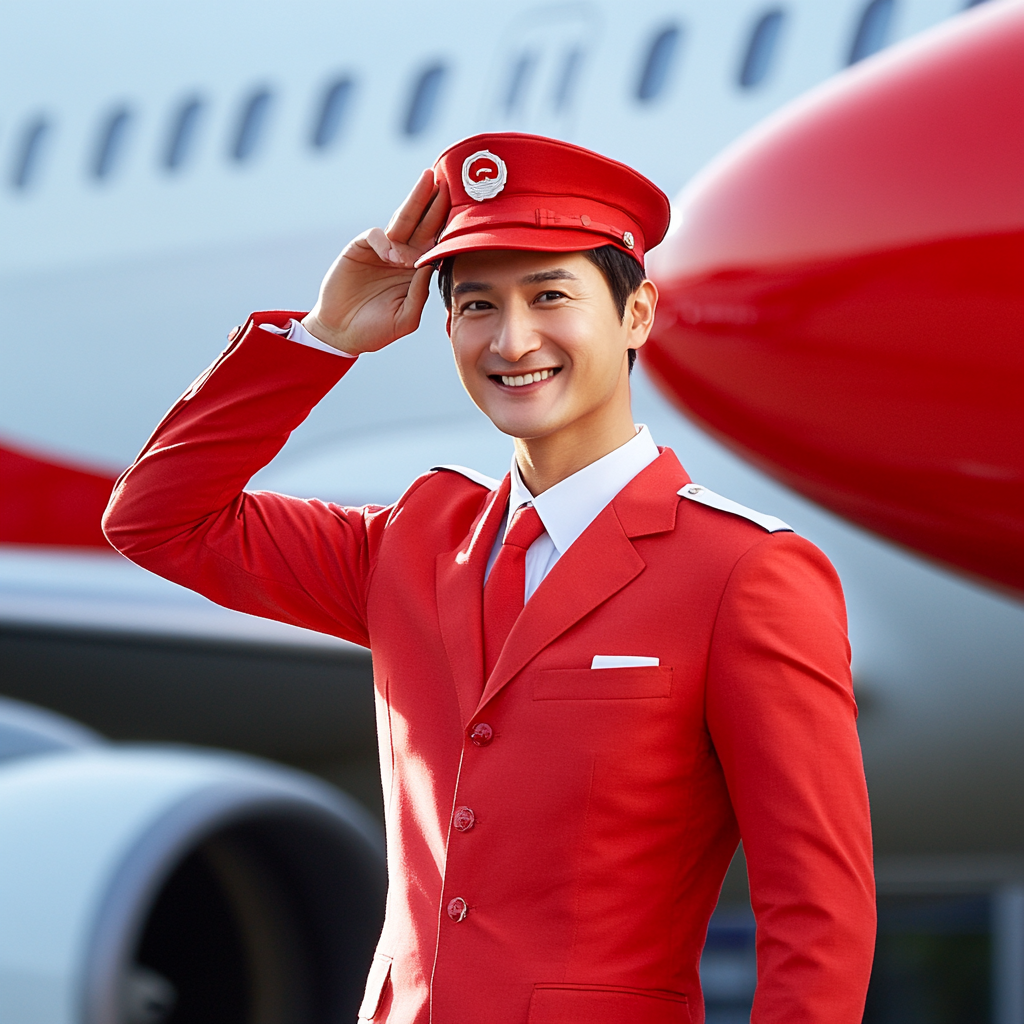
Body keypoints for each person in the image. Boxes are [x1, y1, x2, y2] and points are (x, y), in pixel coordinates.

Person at [104, 132, 875, 1024]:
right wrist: (321, 340)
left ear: (635, 315)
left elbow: (818, 912)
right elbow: (157, 519)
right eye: (476, 305)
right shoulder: (411, 546)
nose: (513, 340)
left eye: (550, 295)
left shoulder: (742, 572)